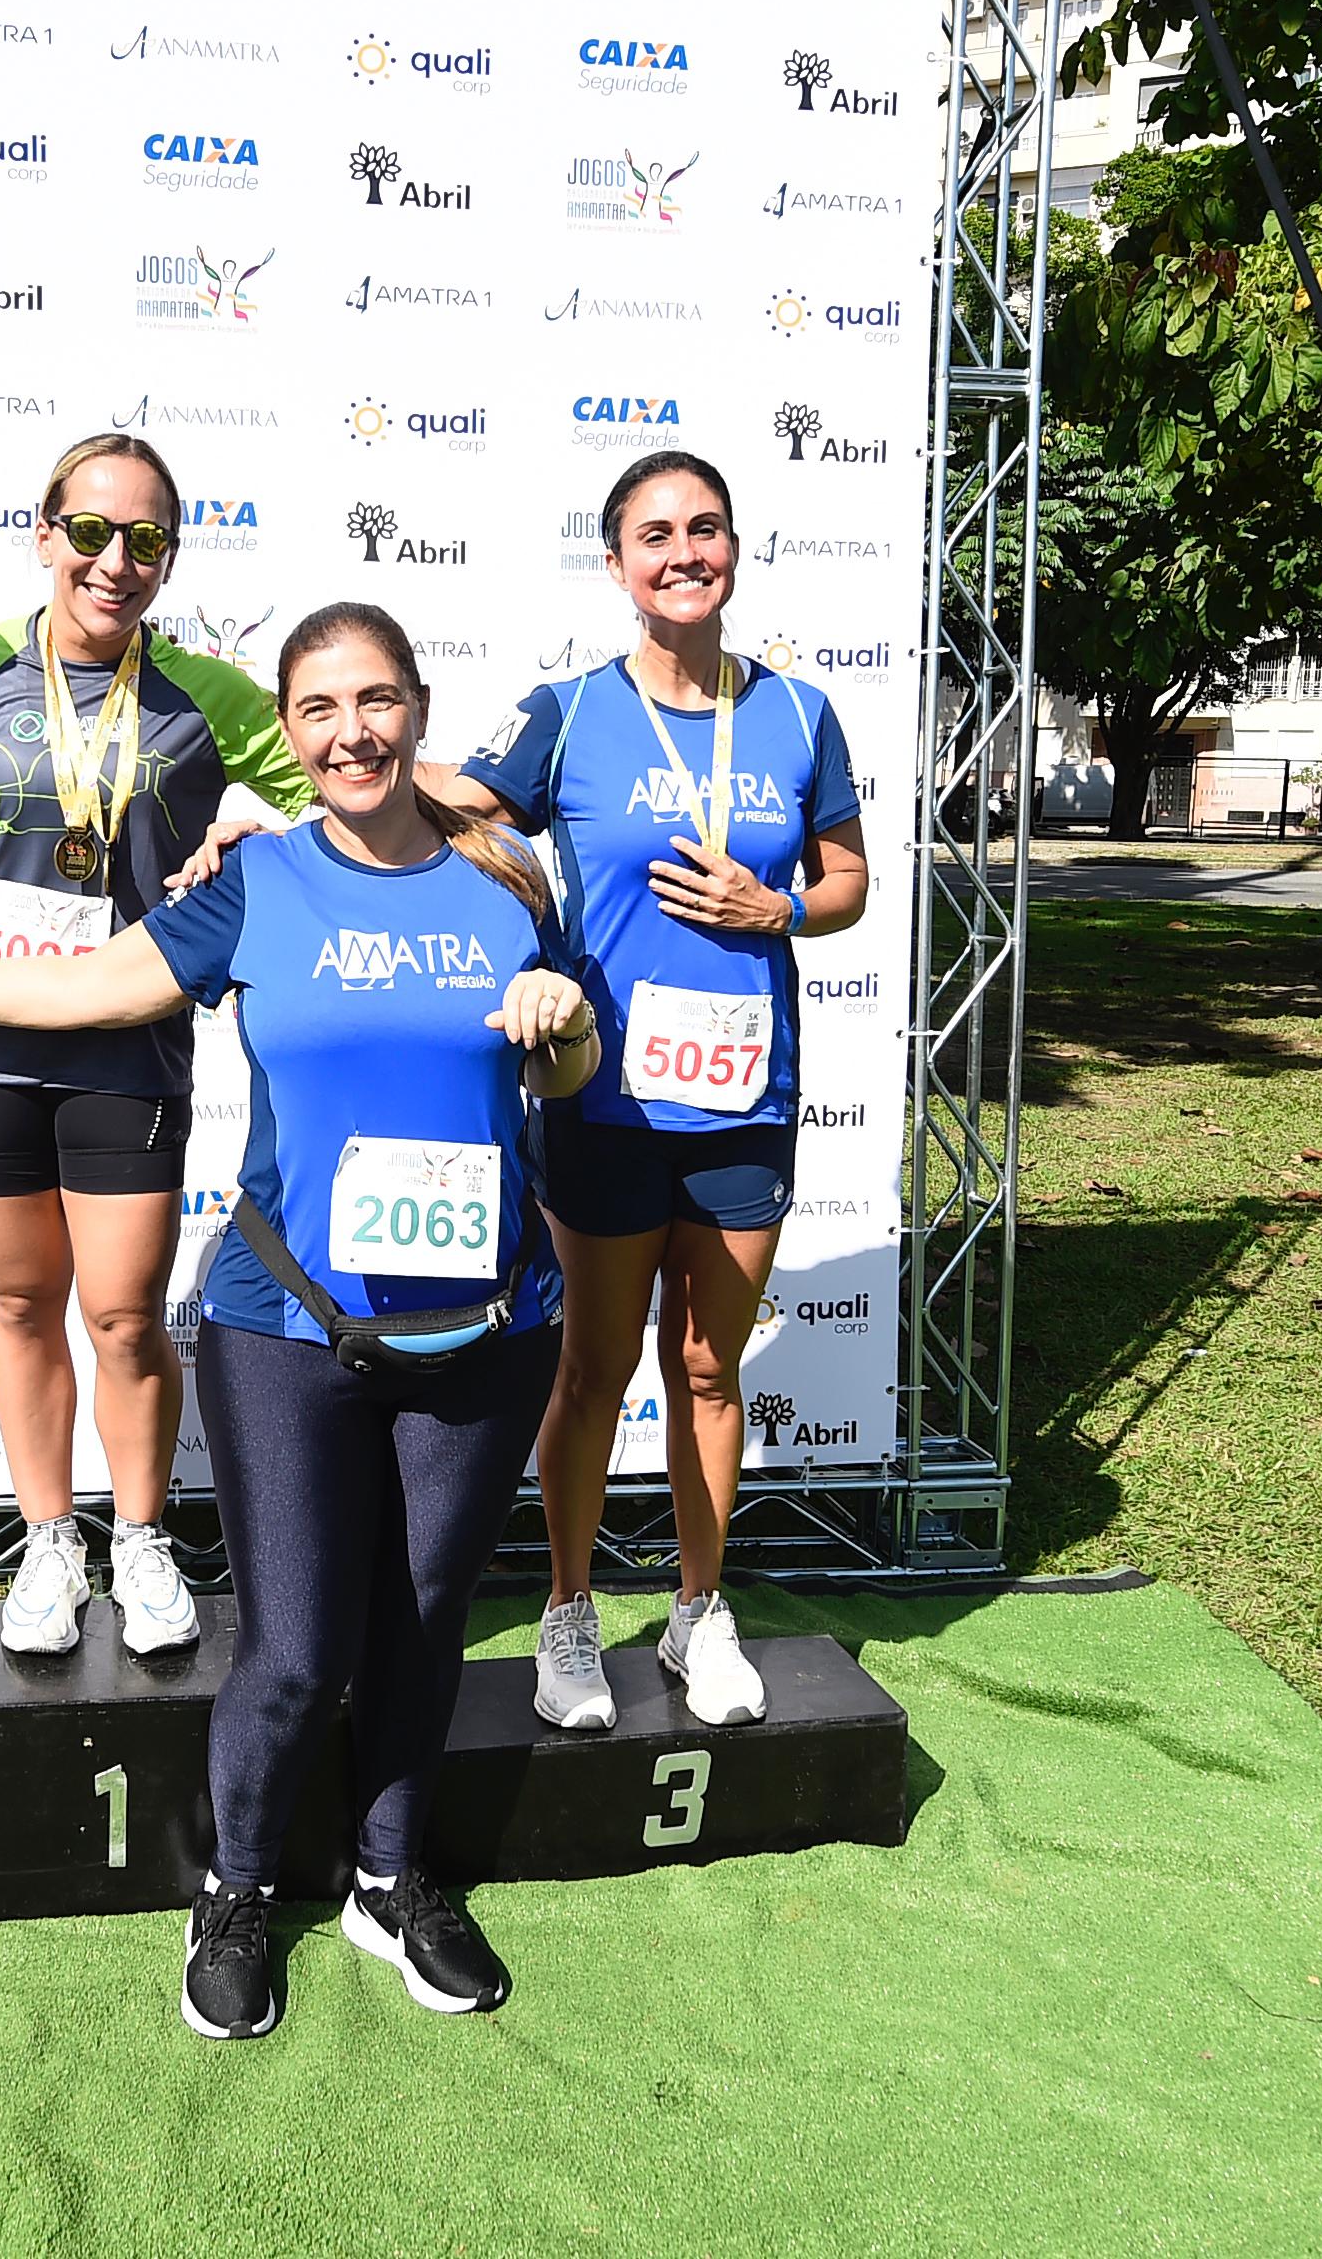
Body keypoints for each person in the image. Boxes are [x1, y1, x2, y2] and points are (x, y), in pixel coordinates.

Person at [0, 605, 596, 2041]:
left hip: (490, 1333)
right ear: (292, 733)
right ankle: (237, 1888)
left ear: (419, 710)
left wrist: (562, 1025)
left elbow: (568, 1067)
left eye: (377, 702)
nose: (351, 732)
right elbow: (94, 989)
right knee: (300, 1650)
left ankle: (389, 1877)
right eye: (318, 709)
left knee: (428, 1629)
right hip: (288, 1326)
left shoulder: (507, 875)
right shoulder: (258, 884)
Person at [0, 435, 310, 1657]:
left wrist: (244, 840)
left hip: (126, 1041)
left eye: (145, 540)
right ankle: (49, 1538)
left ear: (170, 559)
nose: (114, 560)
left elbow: (335, 804)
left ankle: (141, 1537)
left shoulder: (213, 697)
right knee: (23, 1301)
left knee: (127, 1315)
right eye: (90, 531)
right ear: (44, 534)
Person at [435, 450, 868, 1732]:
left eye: (708, 528)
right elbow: (438, 807)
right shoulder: (565, 713)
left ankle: (694, 1610)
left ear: (735, 547)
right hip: (603, 1101)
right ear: (616, 560)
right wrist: (281, 816)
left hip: (744, 1097)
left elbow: (845, 883)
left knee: (708, 1368)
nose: (686, 551)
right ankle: (569, 1613)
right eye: (656, 533)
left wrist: (776, 903)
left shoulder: (797, 713)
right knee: (592, 1365)